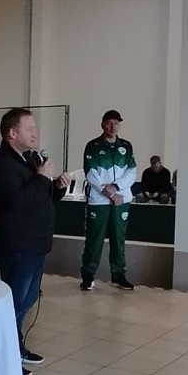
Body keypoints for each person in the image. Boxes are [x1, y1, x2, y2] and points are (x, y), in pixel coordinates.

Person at [0, 108, 70, 375]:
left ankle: (17, 346)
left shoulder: (29, 159)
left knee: (29, 298)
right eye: (29, 129)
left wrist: (57, 187)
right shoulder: (2, 164)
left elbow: (41, 198)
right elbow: (16, 202)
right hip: (17, 243)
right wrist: (42, 178)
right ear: (12, 133)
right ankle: (6, 355)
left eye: (35, 128)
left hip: (36, 242)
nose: (35, 133)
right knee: (15, 300)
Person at [80, 110, 136, 291]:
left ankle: (118, 276)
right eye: (109, 123)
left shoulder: (126, 146)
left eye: (116, 123)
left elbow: (131, 172)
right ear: (103, 124)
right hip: (99, 201)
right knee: (94, 239)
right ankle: (88, 276)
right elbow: (90, 173)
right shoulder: (93, 146)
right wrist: (110, 193)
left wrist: (116, 187)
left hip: (121, 200)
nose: (113, 127)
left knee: (118, 239)